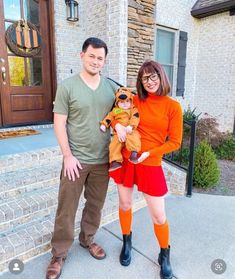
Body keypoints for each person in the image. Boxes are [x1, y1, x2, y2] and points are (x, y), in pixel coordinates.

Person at [46, 37, 118, 279]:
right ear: (82, 55)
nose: (96, 61)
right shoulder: (68, 86)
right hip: (75, 160)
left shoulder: (111, 88)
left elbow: (120, 118)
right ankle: (59, 253)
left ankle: (88, 240)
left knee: (95, 206)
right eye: (92, 56)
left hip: (102, 160)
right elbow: (59, 123)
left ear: (104, 61)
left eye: (100, 58)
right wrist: (67, 156)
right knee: (66, 208)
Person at [110, 60, 183, 279]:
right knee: (124, 203)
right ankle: (126, 242)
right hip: (126, 159)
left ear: (161, 77)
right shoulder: (134, 100)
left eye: (153, 76)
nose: (149, 82)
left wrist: (149, 154)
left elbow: (176, 142)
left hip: (150, 163)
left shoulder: (173, 107)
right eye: (145, 78)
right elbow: (115, 116)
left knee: (159, 216)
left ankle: (165, 254)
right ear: (140, 81)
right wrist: (118, 126)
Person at [100, 87, 141, 171]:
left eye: (127, 101)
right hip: (118, 133)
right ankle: (115, 161)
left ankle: (133, 153)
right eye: (121, 102)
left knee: (134, 138)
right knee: (114, 145)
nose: (125, 104)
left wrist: (131, 126)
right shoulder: (116, 111)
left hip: (130, 130)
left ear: (131, 101)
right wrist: (104, 124)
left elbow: (135, 118)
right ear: (117, 103)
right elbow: (109, 117)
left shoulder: (133, 110)